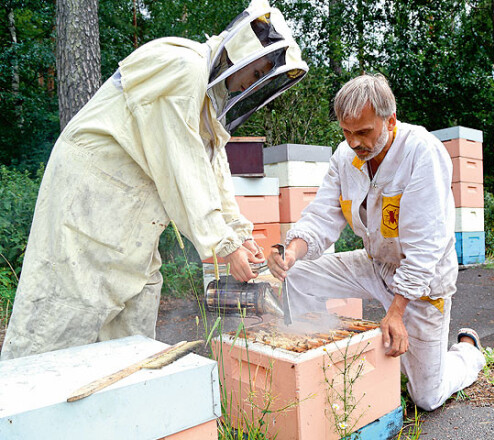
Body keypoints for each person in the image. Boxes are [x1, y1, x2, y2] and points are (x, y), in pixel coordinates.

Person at [1, 0, 308, 360]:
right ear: (241, 52)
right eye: (255, 75)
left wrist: (239, 234)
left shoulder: (206, 95)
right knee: (66, 310)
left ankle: (119, 403)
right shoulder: (183, 68)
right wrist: (223, 245)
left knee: (135, 313)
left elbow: (213, 168)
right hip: (91, 200)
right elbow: (182, 164)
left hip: (129, 213)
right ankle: (23, 406)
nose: (249, 86)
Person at [267, 74, 486, 411]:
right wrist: (291, 252)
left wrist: (397, 312)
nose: (354, 142)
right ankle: (314, 363)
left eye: (364, 132)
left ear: (390, 120)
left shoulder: (421, 152)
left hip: (423, 281)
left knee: (427, 396)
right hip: (374, 263)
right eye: (346, 132)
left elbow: (426, 246)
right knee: (297, 275)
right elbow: (323, 213)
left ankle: (468, 351)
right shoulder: (345, 157)